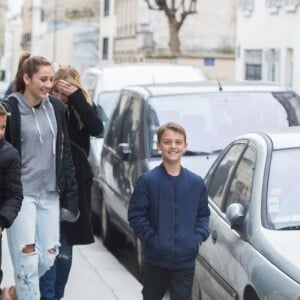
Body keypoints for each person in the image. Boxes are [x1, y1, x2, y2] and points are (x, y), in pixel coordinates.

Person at [1, 52, 78, 300]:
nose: (48, 85)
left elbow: (64, 153)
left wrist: (71, 197)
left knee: (48, 256)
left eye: (50, 79)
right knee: (27, 264)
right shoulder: (10, 107)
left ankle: (13, 293)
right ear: (26, 78)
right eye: (42, 79)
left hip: (50, 194)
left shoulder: (56, 107)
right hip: (22, 196)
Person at [39, 66, 103, 300]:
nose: (61, 97)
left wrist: (76, 99)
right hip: (49, 182)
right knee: (48, 245)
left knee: (65, 246)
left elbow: (97, 129)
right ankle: (48, 295)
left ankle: (56, 295)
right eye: (58, 91)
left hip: (75, 184)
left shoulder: (82, 110)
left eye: (67, 92)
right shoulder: (45, 108)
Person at [128, 122, 210, 300]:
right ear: (158, 145)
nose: (173, 146)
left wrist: (195, 239)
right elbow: (136, 215)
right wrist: (153, 240)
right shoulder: (147, 181)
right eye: (167, 142)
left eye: (178, 142)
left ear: (185, 146)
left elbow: (203, 216)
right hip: (155, 260)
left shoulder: (196, 183)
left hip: (185, 261)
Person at [0, 103, 23, 299]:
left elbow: (15, 195)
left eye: (2, 127)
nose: (0, 132)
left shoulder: (9, 155)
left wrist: (2, 221)